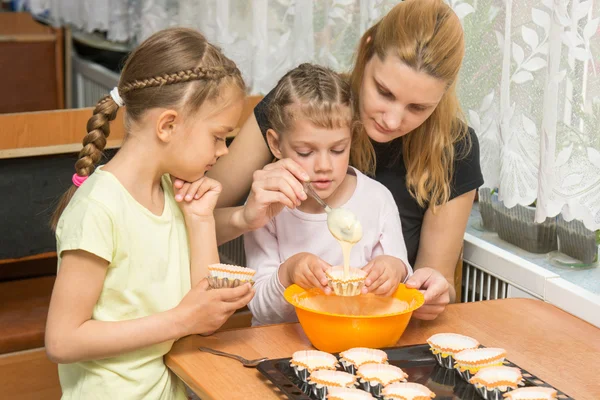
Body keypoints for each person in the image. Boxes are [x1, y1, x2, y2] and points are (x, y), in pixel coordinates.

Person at [207, 0, 483, 321]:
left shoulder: (453, 147)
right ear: (367, 51)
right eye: (384, 92)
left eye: (418, 108)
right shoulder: (304, 108)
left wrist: (433, 293)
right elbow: (189, 222)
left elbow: (436, 279)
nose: (392, 121)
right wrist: (246, 218)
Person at [45, 28, 254, 399]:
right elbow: (62, 340)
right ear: (168, 125)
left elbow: (201, 319)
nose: (223, 151)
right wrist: (181, 319)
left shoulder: (173, 193)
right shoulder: (98, 207)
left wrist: (201, 218)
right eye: (219, 136)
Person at [244, 63, 413, 325]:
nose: (324, 166)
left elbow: (400, 279)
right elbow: (261, 309)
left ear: (352, 138)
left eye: (337, 150)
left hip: (355, 339)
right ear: (276, 144)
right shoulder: (267, 206)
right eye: (305, 152)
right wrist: (288, 273)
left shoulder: (377, 200)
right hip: (279, 346)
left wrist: (394, 269)